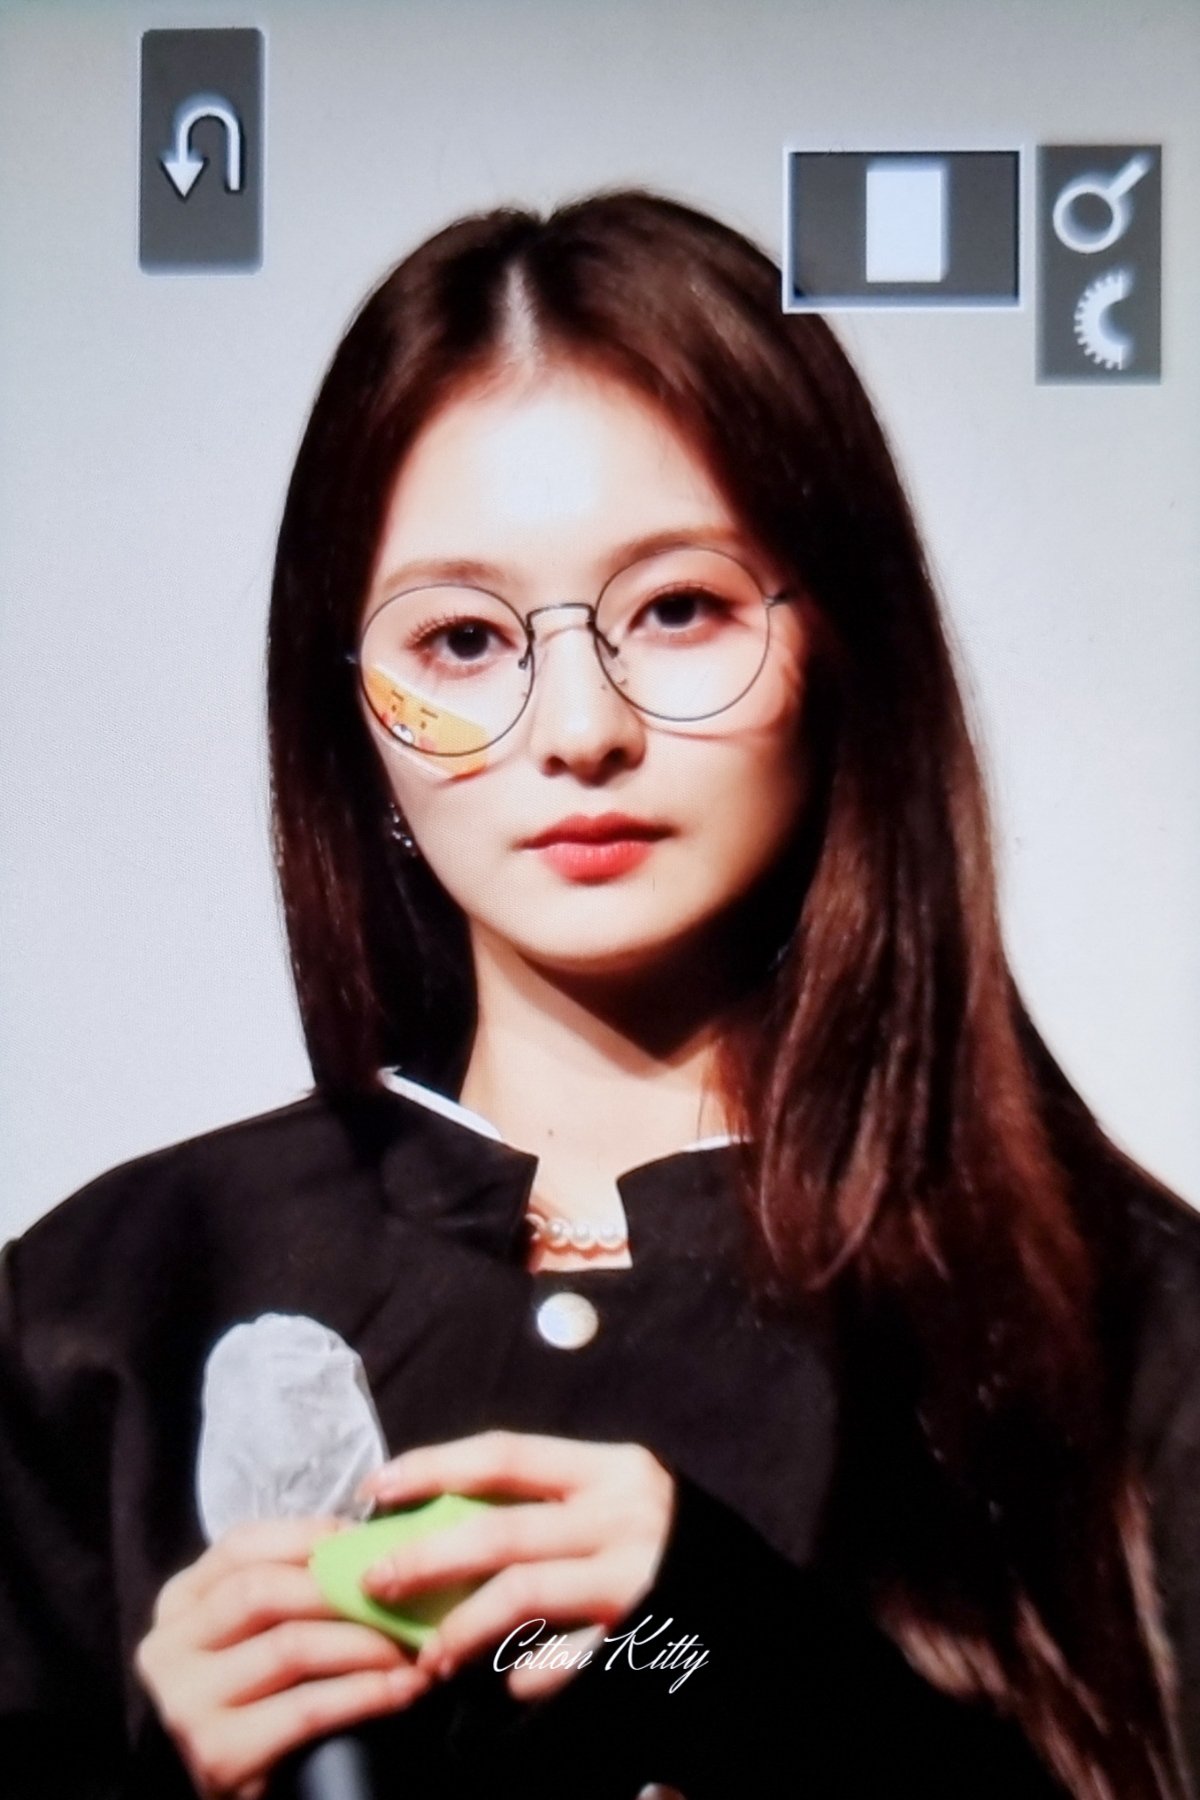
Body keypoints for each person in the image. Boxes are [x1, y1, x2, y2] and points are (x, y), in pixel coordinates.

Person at [0, 188, 1197, 1800]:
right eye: (464, 640)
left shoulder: (1122, 1328)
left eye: (678, 610)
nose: (579, 728)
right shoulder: (105, 1316)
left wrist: (760, 1676)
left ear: (842, 648)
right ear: (347, 705)